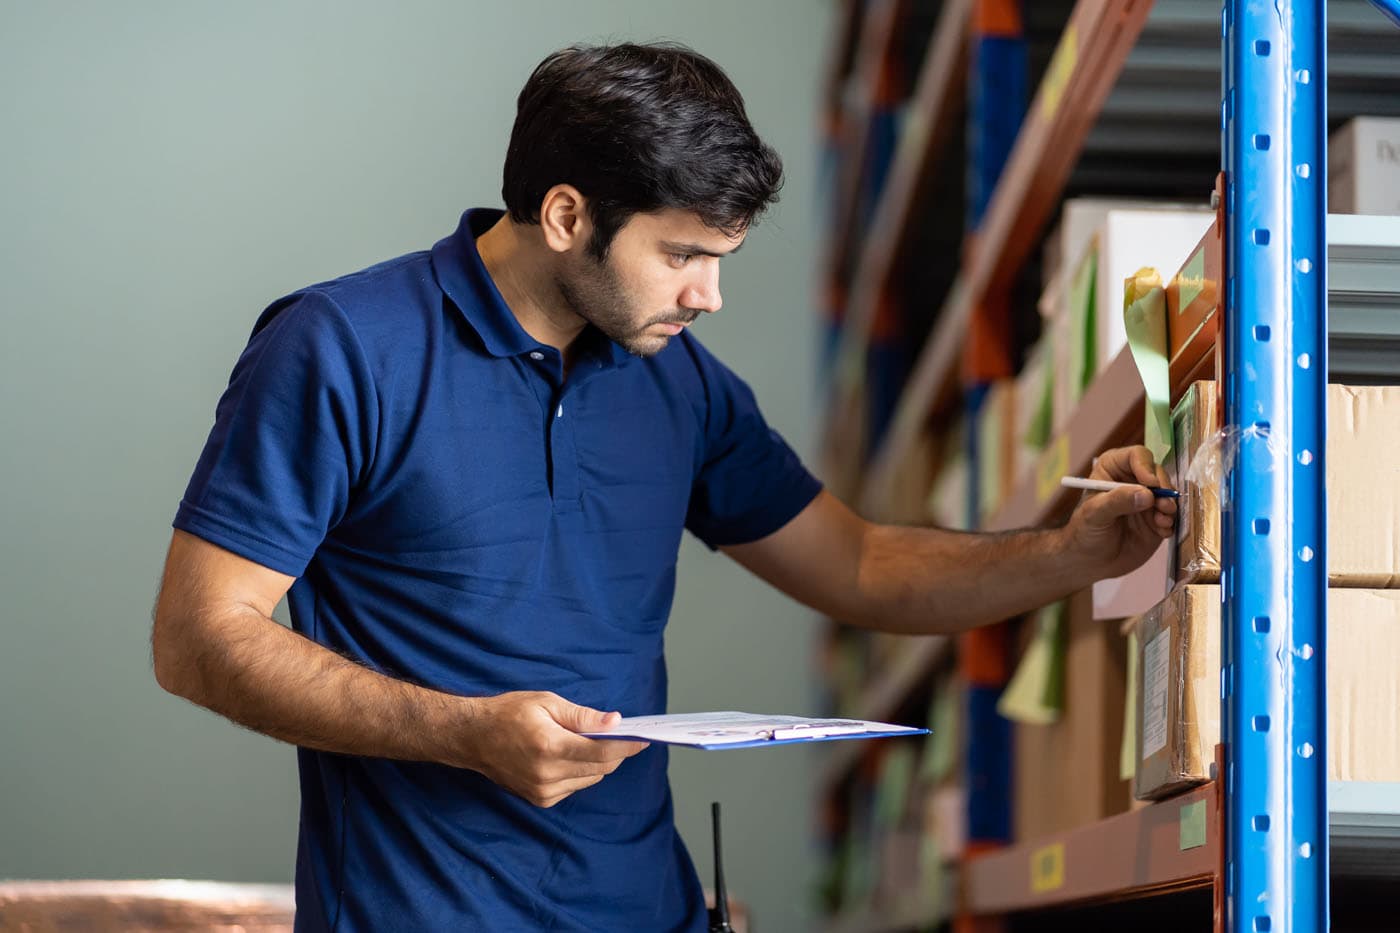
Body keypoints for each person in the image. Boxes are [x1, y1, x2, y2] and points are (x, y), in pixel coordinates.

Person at [151, 41, 1176, 932]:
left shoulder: (676, 382)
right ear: (564, 216)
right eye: (681, 253)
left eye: (721, 256)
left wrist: (1071, 552)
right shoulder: (341, 350)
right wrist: (461, 732)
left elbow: (859, 565)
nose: (710, 295)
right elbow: (199, 638)